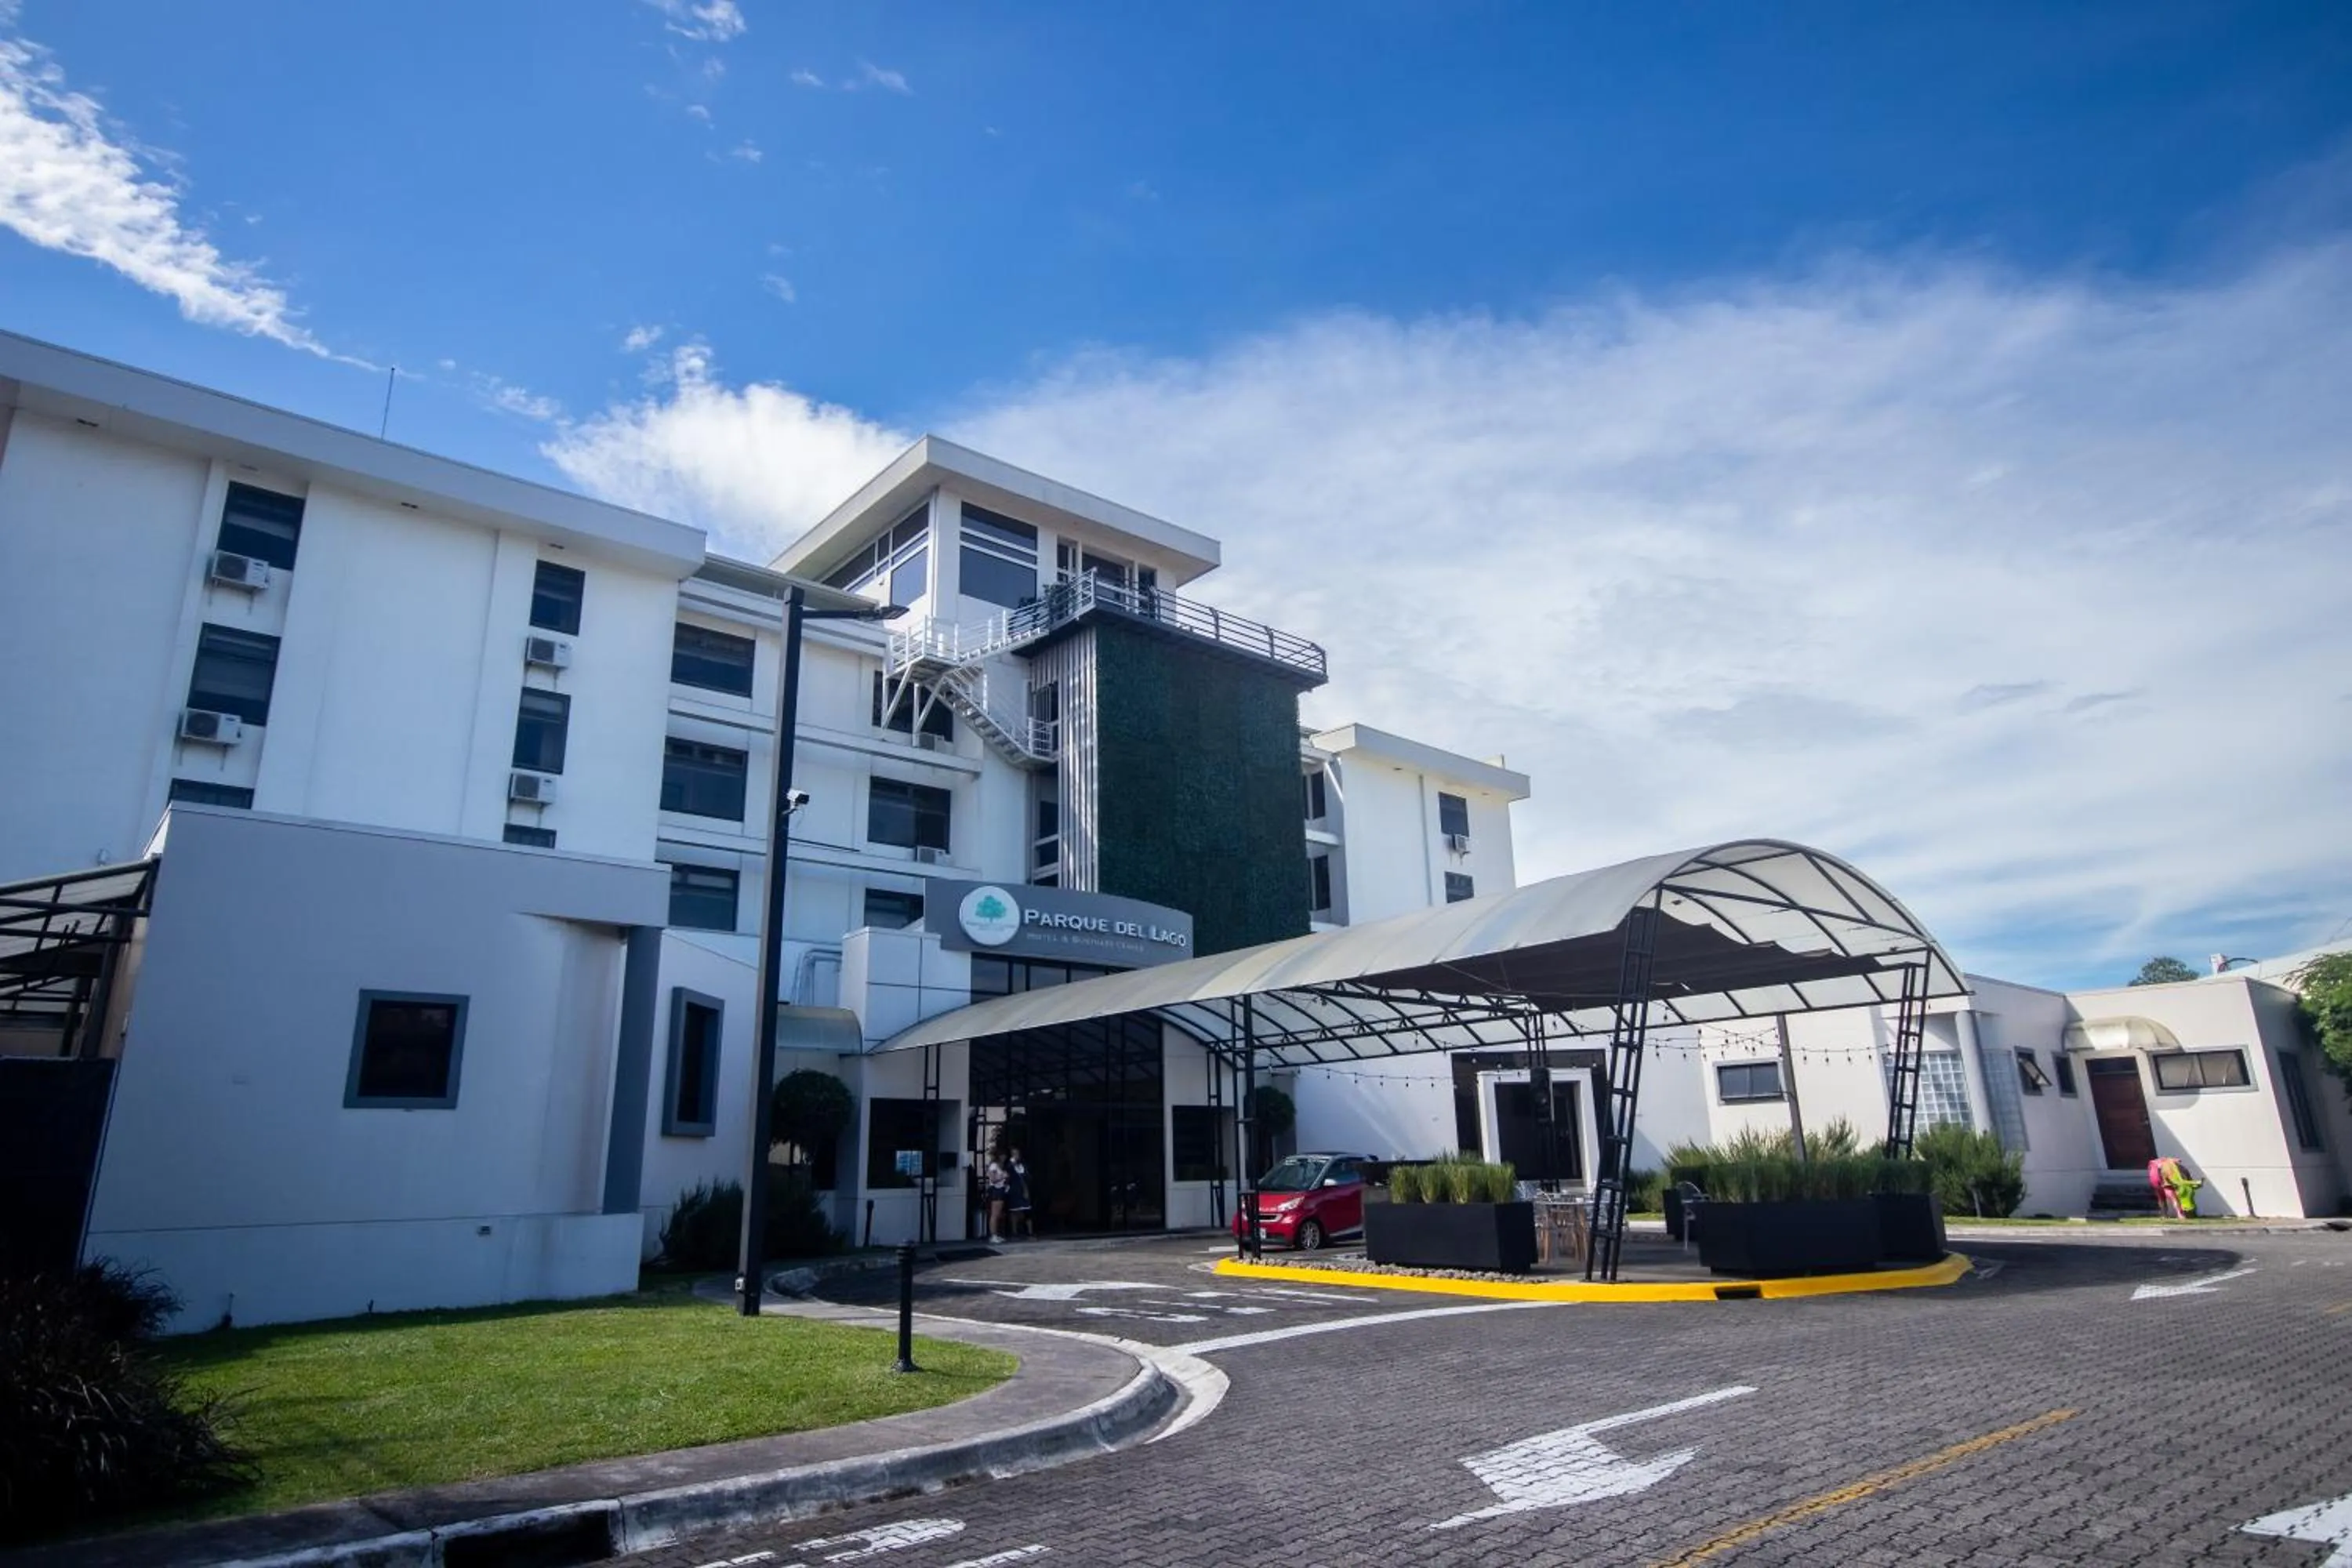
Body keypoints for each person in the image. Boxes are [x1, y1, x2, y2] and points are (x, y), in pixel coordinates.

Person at [1007, 1148, 1033, 1240]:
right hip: (1015, 1191)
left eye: (1017, 1154)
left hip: (1024, 1190)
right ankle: (1015, 1232)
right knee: (1014, 1211)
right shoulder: (1010, 1166)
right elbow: (1008, 1174)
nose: (1016, 1156)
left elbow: (1028, 1177)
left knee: (1027, 1211)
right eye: (1014, 1154)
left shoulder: (1023, 1166)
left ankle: (1030, 1232)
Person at [983, 1154, 1010, 1243]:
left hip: (1001, 1189)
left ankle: (996, 1234)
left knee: (998, 1214)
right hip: (996, 1190)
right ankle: (993, 1235)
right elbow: (993, 1179)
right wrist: (1003, 1176)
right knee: (994, 1214)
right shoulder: (994, 1166)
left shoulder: (1000, 1166)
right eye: (1002, 1156)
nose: (1004, 1158)